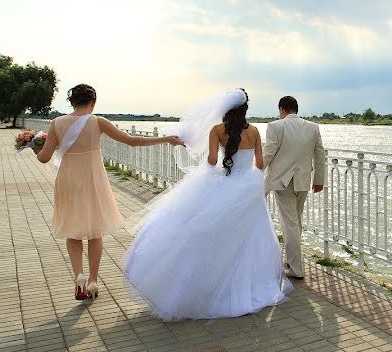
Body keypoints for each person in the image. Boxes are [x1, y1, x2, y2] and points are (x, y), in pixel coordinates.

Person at [123, 89, 291, 321]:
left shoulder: (217, 130)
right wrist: (248, 175)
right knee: (249, 236)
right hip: (248, 187)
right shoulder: (253, 131)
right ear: (245, 110)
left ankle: (209, 285)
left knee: (212, 233)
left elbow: (212, 161)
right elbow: (260, 163)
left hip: (226, 182)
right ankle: (250, 284)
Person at [35, 84, 183, 300]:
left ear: (71, 102)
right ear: (93, 102)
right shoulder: (98, 122)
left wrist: (34, 146)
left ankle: (79, 277)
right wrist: (166, 139)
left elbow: (44, 158)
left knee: (72, 230)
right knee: (95, 231)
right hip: (93, 180)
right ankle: (93, 280)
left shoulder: (57, 123)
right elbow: (132, 141)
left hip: (68, 180)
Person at [263, 96, 325, 280]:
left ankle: (296, 269)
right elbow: (319, 155)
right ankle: (292, 261)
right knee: (296, 222)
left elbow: (268, 153)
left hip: (283, 182)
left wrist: (255, 172)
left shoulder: (275, 126)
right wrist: (319, 179)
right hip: (303, 181)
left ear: (282, 109)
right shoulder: (313, 127)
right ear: (296, 109)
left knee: (290, 224)